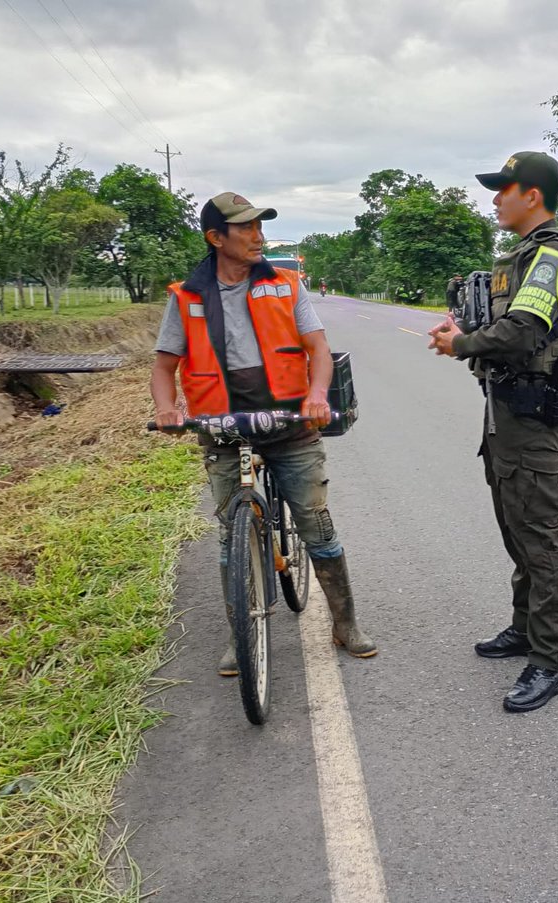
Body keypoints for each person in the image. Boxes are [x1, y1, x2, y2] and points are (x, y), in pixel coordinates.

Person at [151, 192, 376, 676]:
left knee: (316, 523)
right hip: (222, 427)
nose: (258, 236)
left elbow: (318, 349)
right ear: (216, 238)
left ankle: (346, 623)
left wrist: (317, 396)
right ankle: (241, 636)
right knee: (230, 536)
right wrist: (166, 409)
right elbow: (164, 366)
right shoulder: (186, 296)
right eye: (246, 228)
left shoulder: (285, 285)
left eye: (260, 226)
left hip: (290, 425)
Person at [428, 152, 558, 712]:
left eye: (505, 188)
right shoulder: (519, 258)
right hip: (504, 416)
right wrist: (466, 329)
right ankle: (524, 630)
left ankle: (549, 661)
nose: (496, 198)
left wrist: (464, 345)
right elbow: (504, 324)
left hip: (531, 416)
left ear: (534, 195)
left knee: (539, 537)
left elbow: (523, 332)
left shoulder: (551, 253)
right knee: (516, 528)